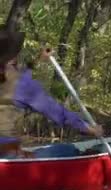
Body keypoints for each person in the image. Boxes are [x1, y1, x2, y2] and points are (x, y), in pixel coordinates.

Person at [0, 26, 103, 158]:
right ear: (13, 56)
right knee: (67, 149)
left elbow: (19, 79)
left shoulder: (18, 81)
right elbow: (56, 111)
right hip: (7, 155)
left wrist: (38, 60)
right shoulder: (22, 84)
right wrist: (88, 128)